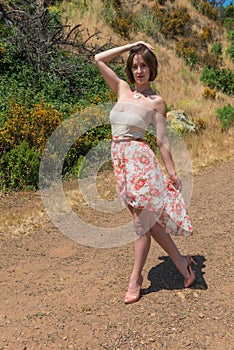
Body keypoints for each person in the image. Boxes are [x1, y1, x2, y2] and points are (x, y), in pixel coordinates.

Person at [94, 41, 196, 304]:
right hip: (121, 163)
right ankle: (181, 261)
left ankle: (135, 280)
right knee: (148, 223)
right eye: (135, 66)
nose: (139, 70)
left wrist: (171, 172)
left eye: (144, 66)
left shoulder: (156, 101)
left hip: (140, 164)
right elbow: (99, 58)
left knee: (141, 225)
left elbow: (162, 140)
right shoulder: (122, 88)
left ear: (152, 69)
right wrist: (132, 45)